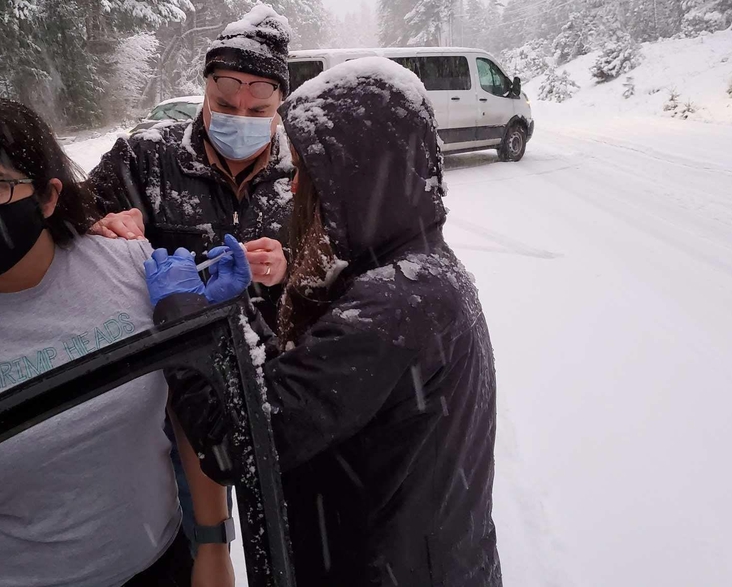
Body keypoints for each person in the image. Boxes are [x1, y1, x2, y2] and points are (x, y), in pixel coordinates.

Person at [0, 97, 234, 587]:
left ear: (48, 198)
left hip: (160, 567)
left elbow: (187, 410)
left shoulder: (128, 267)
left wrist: (214, 544)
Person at [146, 58, 503, 586]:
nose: (294, 192)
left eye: (308, 176)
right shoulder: (419, 271)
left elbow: (238, 443)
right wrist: (235, 312)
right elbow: (302, 394)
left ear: (356, 178)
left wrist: (182, 320)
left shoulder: (396, 304)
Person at [88, 3, 295, 545]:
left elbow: (342, 270)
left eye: (258, 108)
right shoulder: (146, 158)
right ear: (204, 88)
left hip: (269, 394)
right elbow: (67, 223)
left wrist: (289, 271)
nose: (240, 118)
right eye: (225, 103)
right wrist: (103, 223)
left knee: (278, 538)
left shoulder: (303, 175)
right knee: (190, 539)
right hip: (167, 403)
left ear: (280, 104)